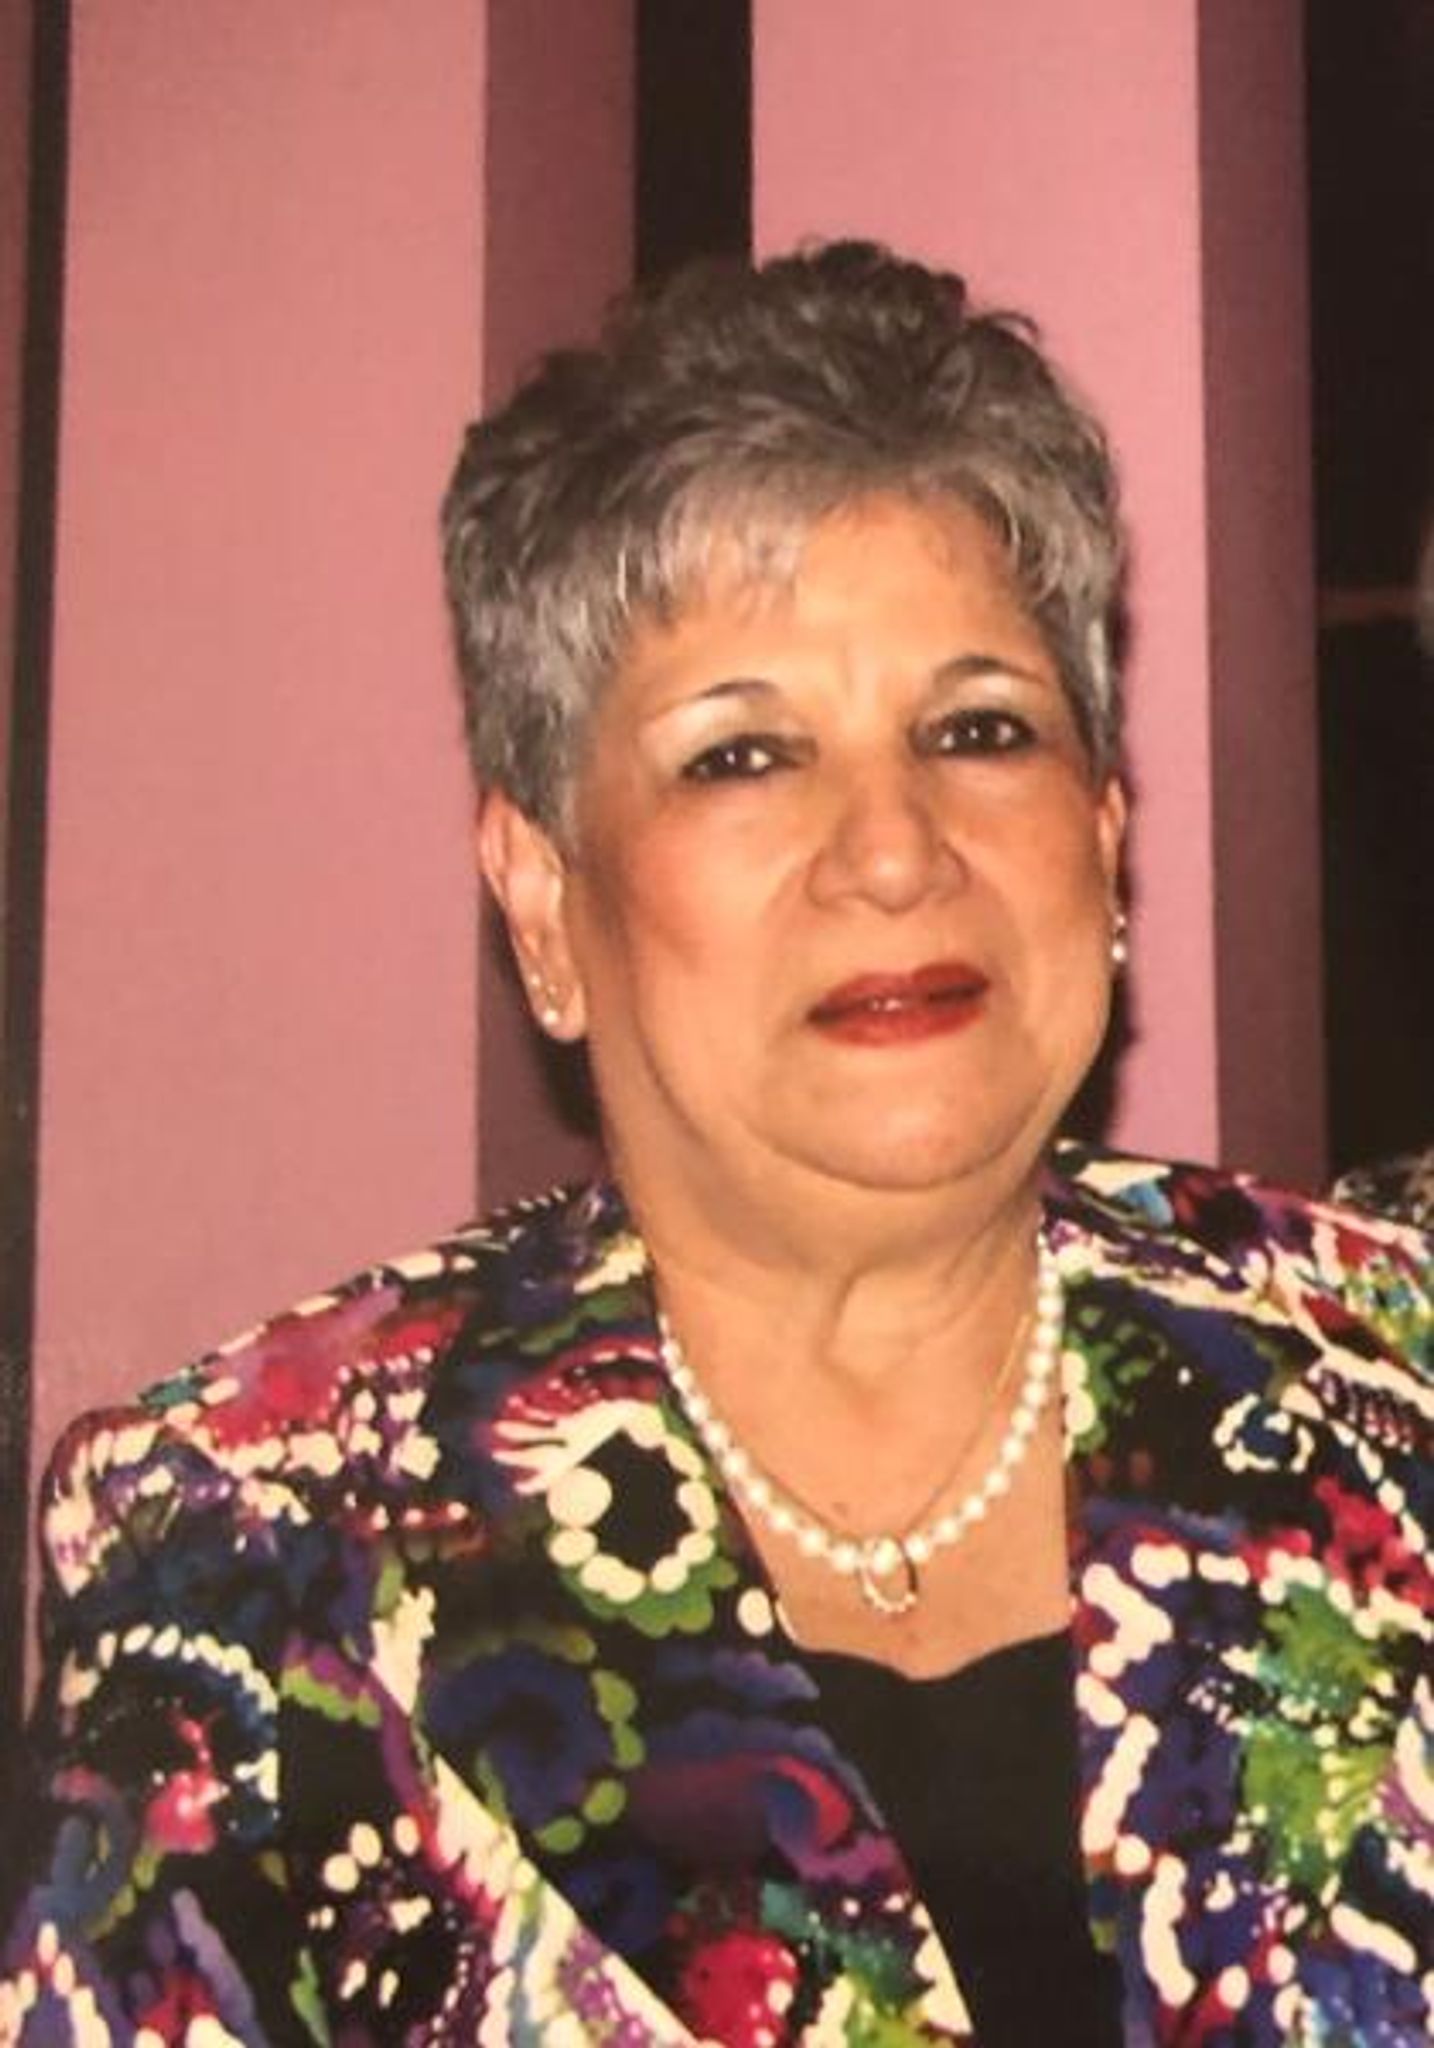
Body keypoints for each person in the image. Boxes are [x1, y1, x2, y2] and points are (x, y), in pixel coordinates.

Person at [2, 244, 1429, 2047]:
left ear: (1102, 837)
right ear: (541, 898)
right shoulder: (253, 1543)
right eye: (740, 757)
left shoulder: (1393, 1364)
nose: (894, 849)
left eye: (978, 728)